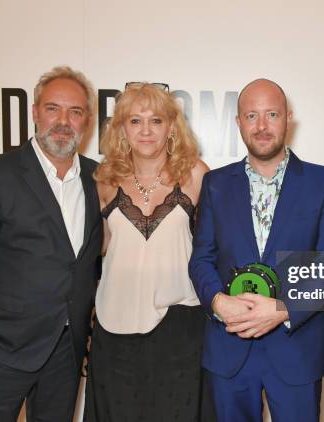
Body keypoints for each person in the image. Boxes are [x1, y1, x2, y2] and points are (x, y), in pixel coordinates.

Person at [0, 66, 102, 421]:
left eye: (75, 112)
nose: (63, 121)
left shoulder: (98, 178)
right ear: (34, 112)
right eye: (53, 109)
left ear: (87, 121)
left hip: (65, 353)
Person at [189, 78, 324, 422]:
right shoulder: (215, 184)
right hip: (228, 348)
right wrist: (218, 302)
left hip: (296, 350)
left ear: (288, 117)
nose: (261, 126)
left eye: (272, 114)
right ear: (238, 122)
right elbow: (201, 258)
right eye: (251, 116)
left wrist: (282, 308)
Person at [84, 82, 212, 421]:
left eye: (156, 120)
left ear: (171, 126)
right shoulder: (105, 179)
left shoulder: (195, 174)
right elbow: (101, 249)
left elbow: (214, 249)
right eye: (135, 120)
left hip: (180, 328)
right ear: (122, 128)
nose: (146, 130)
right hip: (115, 329)